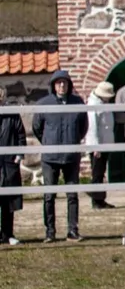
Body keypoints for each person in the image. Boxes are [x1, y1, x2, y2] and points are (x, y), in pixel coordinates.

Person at [31, 70, 88, 242]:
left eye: (65, 83)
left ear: (69, 85)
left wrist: (73, 141)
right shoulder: (43, 104)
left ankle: (73, 230)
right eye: (58, 83)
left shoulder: (78, 103)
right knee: (49, 195)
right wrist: (49, 142)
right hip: (50, 158)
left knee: (72, 195)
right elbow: (37, 127)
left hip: (71, 156)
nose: (62, 86)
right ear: (53, 85)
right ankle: (50, 231)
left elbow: (83, 127)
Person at [85, 80, 119, 209]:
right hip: (98, 145)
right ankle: (97, 200)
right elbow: (93, 127)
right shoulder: (93, 105)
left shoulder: (103, 103)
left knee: (100, 172)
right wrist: (96, 147)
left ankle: (100, 198)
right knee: (97, 173)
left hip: (105, 143)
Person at [0, 84, 26, 245]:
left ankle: (8, 234)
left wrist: (19, 154)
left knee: (8, 202)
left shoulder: (12, 114)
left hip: (9, 163)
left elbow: (20, 135)